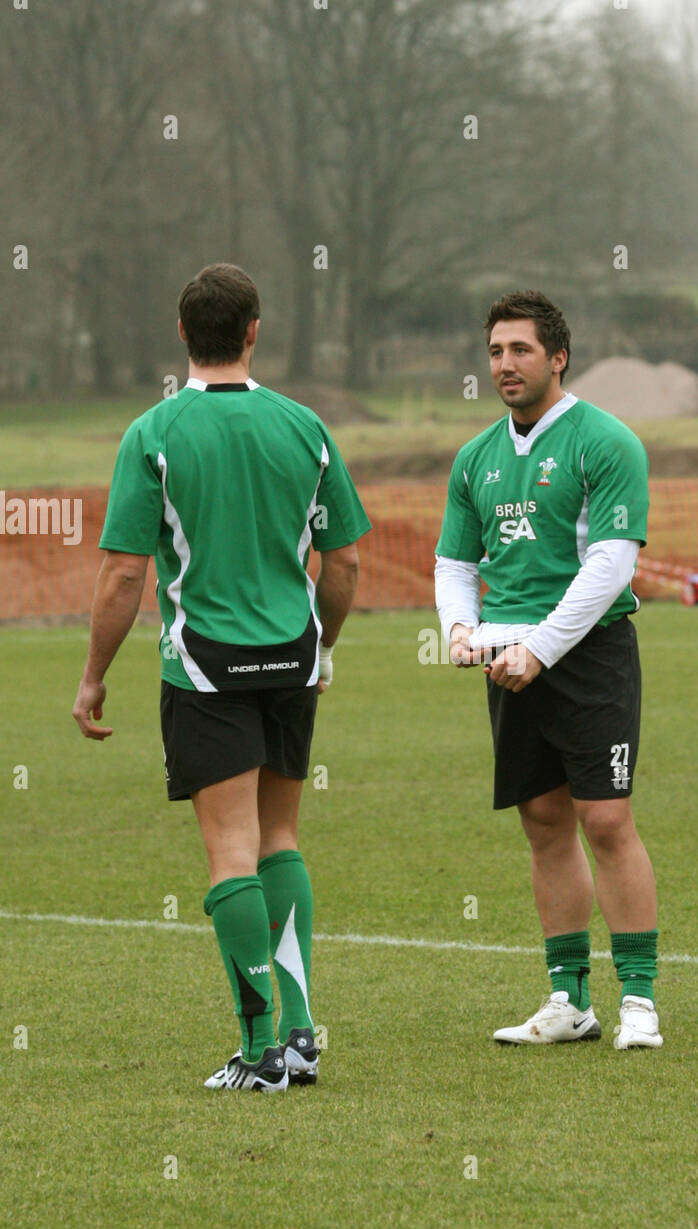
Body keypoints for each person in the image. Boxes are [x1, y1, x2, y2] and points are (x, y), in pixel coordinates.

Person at [72, 263, 371, 1091]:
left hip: (206, 668)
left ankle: (258, 1051)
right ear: (253, 331)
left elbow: (123, 578)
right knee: (280, 841)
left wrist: (93, 677)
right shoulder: (304, 425)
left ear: (182, 334)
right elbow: (342, 559)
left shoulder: (154, 433)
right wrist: (323, 647)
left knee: (230, 853)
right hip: (290, 661)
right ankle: (303, 1034)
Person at [434, 290, 662, 1049]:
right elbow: (454, 561)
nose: (505, 364)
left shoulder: (607, 441)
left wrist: (540, 648)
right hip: (508, 654)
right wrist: (461, 628)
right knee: (542, 822)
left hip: (588, 652)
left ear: (557, 356)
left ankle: (638, 1001)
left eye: (520, 350)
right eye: (495, 351)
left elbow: (610, 565)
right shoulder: (475, 457)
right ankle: (568, 1001)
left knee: (606, 818)